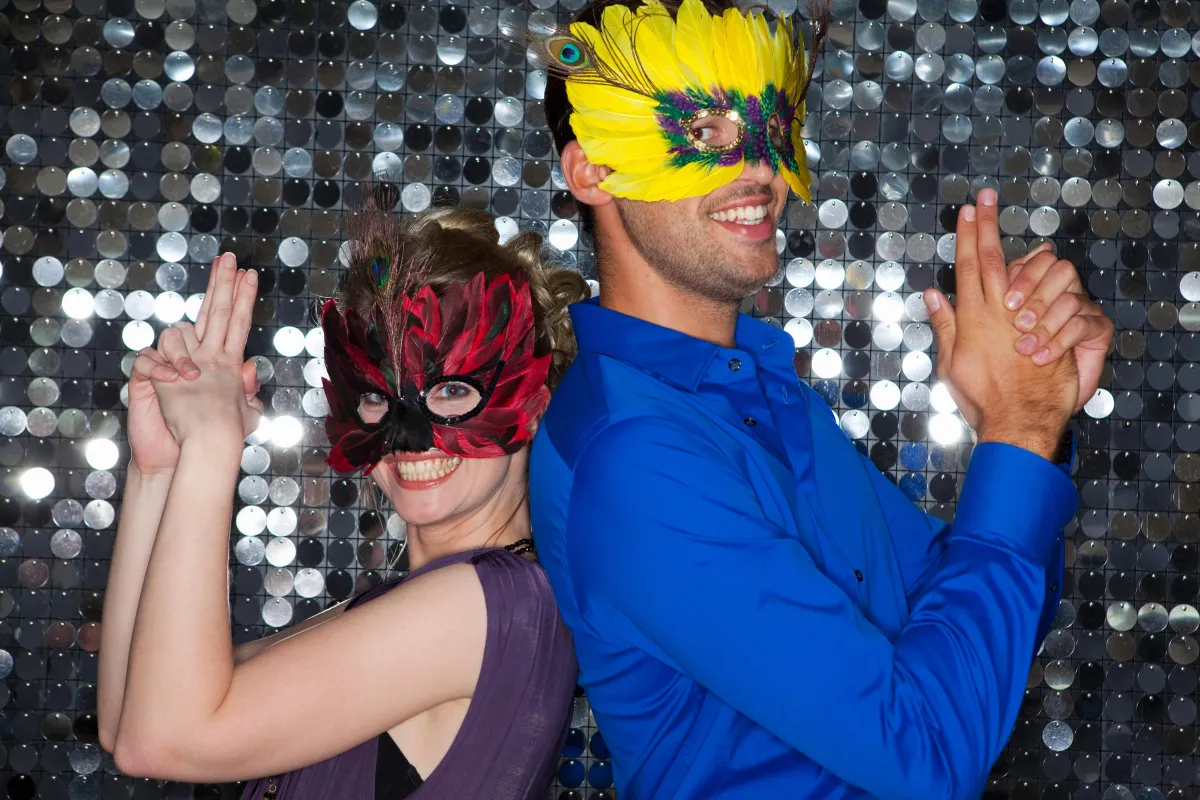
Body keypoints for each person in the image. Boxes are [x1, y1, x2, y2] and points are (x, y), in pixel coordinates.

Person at [529, 0, 1116, 798]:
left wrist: (1034, 425)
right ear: (592, 169)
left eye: (772, 125)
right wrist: (1018, 432)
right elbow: (930, 759)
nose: (763, 170)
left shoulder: (756, 391)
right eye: (704, 132)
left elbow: (960, 624)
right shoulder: (633, 458)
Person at [97, 203, 588, 799]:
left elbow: (160, 738)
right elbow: (133, 711)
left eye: (453, 391)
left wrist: (212, 445)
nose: (408, 438)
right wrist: (161, 468)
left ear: (533, 404)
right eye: (378, 397)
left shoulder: (486, 604)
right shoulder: (430, 602)